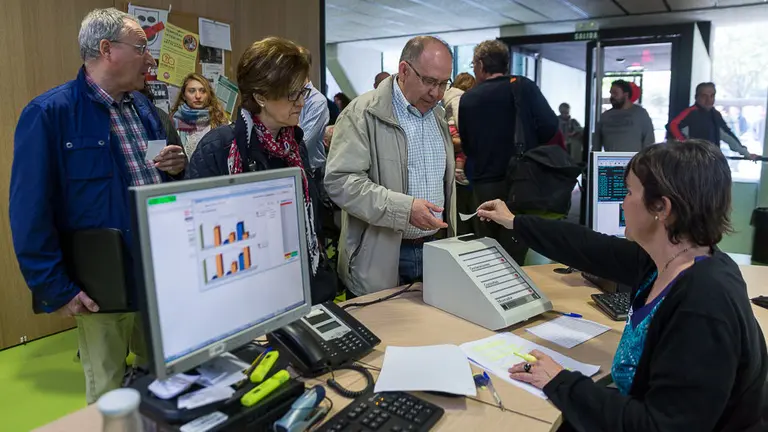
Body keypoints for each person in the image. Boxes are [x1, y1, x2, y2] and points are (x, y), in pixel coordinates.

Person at [476, 139, 767, 432]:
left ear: (661, 208)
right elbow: (588, 247)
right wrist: (515, 222)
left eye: (629, 192)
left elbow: (661, 426)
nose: (621, 201)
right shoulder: (668, 261)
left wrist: (560, 381)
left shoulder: (702, 304)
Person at [9, 8, 187, 404]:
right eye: (142, 48)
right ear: (107, 49)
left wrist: (176, 168)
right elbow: (28, 210)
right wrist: (55, 289)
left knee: (163, 381)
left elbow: (159, 182)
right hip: (100, 286)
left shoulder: (146, 112)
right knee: (109, 395)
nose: (151, 59)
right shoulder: (49, 114)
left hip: (157, 274)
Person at [186, 37, 336, 304]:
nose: (301, 102)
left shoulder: (293, 145)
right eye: (292, 94)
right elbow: (200, 237)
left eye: (303, 92)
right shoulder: (220, 148)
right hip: (243, 291)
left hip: (299, 285)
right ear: (260, 96)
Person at [325, 35, 455, 295]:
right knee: (384, 333)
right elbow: (340, 182)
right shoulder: (361, 113)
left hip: (436, 250)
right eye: (429, 81)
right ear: (404, 70)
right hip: (381, 255)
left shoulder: (438, 116)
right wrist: (404, 209)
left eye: (443, 83)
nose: (437, 93)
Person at [458, 39, 558, 264]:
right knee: (516, 243)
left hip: (485, 184)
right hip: (522, 182)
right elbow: (550, 126)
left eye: (474, 64)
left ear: (482, 65)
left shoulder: (469, 99)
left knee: (489, 248)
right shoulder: (523, 86)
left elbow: (467, 146)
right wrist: (530, 145)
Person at [667, 82, 758, 160]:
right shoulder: (690, 112)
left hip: (710, 161)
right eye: (704, 96)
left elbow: (728, 136)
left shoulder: (715, 114)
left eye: (712, 96)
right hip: (691, 162)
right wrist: (685, 144)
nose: (709, 100)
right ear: (696, 97)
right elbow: (672, 125)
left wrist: (746, 153)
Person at [442, 72, 475, 234]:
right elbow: (459, 114)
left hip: (450, 126)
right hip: (455, 129)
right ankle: (459, 171)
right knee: (462, 152)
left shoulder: (447, 95)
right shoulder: (459, 98)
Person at [169, 72, 228, 156]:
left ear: (209, 95)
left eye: (203, 91)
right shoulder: (173, 122)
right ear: (184, 96)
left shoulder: (221, 121)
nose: (198, 96)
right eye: (192, 91)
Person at [297, 46, 331, 178]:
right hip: (294, 169)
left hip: (310, 172)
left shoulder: (317, 101)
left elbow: (304, 142)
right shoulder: (286, 97)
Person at [596, 79, 655, 152]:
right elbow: (596, 143)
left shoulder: (640, 114)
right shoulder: (605, 116)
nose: (612, 97)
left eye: (615, 93)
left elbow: (649, 141)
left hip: (634, 161)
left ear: (626, 94)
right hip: (610, 161)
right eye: (611, 93)